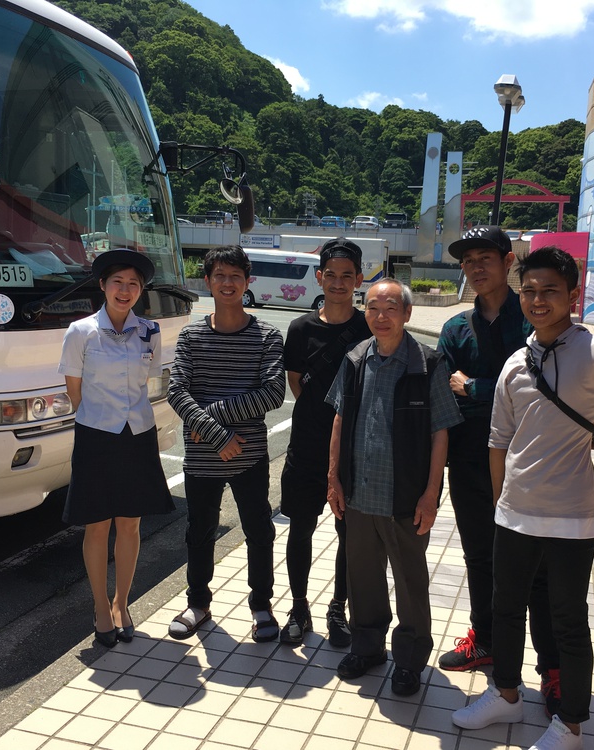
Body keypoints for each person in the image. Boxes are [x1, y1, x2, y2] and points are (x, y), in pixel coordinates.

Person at [452, 247, 594, 749]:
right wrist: (500, 503)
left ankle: (571, 725)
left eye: (550, 290)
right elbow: (499, 439)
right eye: (530, 290)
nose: (538, 300)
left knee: (568, 623)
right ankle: (506, 694)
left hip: (570, 517)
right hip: (514, 514)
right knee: (506, 609)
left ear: (573, 296)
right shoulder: (517, 362)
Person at [436, 227, 561, 716]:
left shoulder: (531, 317)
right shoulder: (455, 328)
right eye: (468, 260)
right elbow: (445, 392)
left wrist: (476, 388)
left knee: (538, 567)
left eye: (485, 257)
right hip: (469, 460)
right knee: (479, 556)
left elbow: (545, 385)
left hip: (531, 461)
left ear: (508, 261)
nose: (476, 267)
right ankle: (485, 639)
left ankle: (552, 668)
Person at [326, 279, 462, 696]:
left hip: (405, 497)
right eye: (372, 308)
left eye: (390, 308)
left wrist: (431, 494)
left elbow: (441, 431)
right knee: (363, 578)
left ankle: (409, 660)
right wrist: (333, 478)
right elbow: (339, 419)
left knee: (410, 583)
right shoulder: (355, 359)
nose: (380, 316)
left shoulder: (428, 363)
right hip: (359, 494)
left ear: (407, 313)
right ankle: (368, 648)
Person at [167, 245, 286, 642]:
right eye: (219, 275)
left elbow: (273, 393)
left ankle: (261, 605)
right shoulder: (192, 335)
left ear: (248, 281)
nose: (228, 282)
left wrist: (210, 416)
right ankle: (198, 603)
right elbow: (177, 392)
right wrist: (218, 435)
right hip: (202, 456)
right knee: (199, 531)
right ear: (207, 281)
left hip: (249, 455)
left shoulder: (267, 336)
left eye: (236, 275)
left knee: (259, 530)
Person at [58, 248, 175, 648]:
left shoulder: (150, 331)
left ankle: (122, 603)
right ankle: (99, 605)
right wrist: (98, 417)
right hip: (96, 435)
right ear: (103, 286)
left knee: (130, 524)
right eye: (117, 282)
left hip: (137, 434)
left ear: (141, 290)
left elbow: (148, 381)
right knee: (97, 525)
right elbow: (74, 390)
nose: (125, 291)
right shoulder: (81, 332)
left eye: (133, 284)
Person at [279, 237, 370, 646]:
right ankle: (299, 607)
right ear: (319, 277)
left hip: (353, 451)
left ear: (359, 279)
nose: (338, 282)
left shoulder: (368, 327)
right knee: (300, 528)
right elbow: (297, 383)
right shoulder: (300, 329)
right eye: (330, 274)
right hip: (306, 446)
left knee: (349, 534)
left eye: (346, 276)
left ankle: (338, 608)